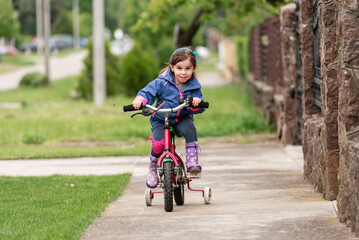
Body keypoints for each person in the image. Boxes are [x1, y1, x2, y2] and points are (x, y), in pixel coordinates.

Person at [132, 46, 206, 188]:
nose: (183, 73)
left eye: (188, 68)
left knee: (190, 129)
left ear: (193, 68)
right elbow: (147, 91)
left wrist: (196, 103)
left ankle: (192, 162)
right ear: (172, 67)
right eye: (179, 68)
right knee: (158, 144)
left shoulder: (194, 86)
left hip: (182, 118)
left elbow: (200, 106)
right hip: (161, 119)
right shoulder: (162, 82)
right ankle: (153, 167)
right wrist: (140, 100)